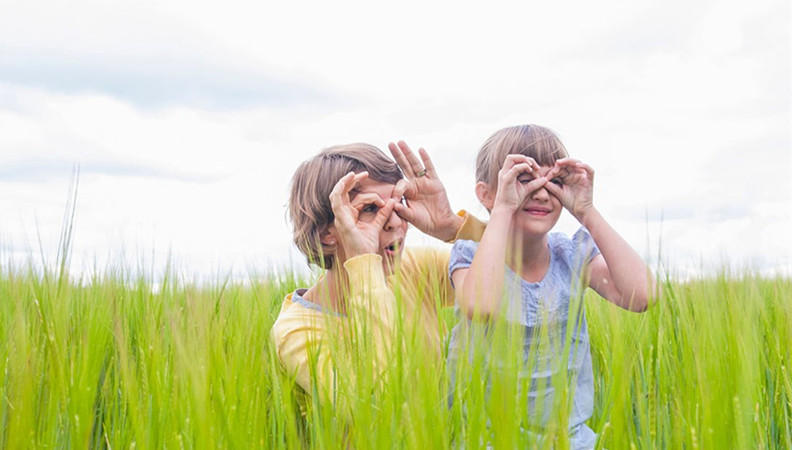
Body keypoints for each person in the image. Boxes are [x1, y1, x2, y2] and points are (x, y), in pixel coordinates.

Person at [447, 124, 655, 449]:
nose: (543, 192)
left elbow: (642, 295)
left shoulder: (571, 255)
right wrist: (502, 208)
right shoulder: (471, 254)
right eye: (524, 178)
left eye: (554, 181)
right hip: (486, 440)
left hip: (568, 440)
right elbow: (482, 306)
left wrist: (586, 211)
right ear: (486, 193)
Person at [271, 141, 485, 418]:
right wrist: (363, 263)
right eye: (371, 208)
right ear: (328, 233)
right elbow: (379, 403)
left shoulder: (413, 269)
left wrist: (452, 226)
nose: (395, 221)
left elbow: (521, 276)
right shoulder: (296, 332)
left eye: (400, 204)